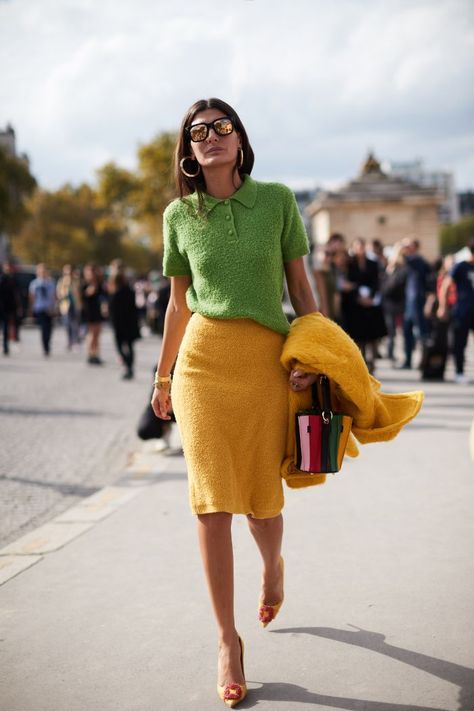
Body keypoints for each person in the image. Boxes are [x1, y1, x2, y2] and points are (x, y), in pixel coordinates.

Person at [151, 97, 318, 708]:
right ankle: (227, 641)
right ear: (189, 151)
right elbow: (177, 303)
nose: (212, 137)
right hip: (201, 366)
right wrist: (163, 377)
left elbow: (300, 285)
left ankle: (272, 566)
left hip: (264, 366)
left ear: (240, 141)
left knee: (260, 502)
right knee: (211, 504)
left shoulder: (277, 200)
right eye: (199, 132)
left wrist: (314, 353)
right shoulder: (178, 216)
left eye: (222, 127)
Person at [345, 238, 387, 374]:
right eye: (358, 246)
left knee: (372, 337)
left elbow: (377, 281)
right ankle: (361, 365)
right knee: (358, 337)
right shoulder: (349, 264)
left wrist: (371, 297)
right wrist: (358, 296)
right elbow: (349, 282)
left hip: (371, 304)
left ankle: (372, 366)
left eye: (362, 246)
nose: (361, 249)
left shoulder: (373, 263)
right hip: (356, 305)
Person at [438, 240, 474, 384]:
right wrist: (443, 306)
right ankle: (459, 372)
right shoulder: (461, 266)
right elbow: (446, 286)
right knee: (460, 342)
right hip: (462, 310)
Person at [399, 238, 431, 369]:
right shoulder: (414, 261)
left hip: (417, 300)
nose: (407, 248)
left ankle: (424, 360)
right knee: (407, 332)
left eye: (409, 245)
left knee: (421, 333)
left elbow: (399, 259)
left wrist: (400, 246)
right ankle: (408, 360)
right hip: (410, 301)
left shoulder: (417, 260)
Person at [108, 269, 141, 379]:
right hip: (130, 323)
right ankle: (130, 366)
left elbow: (112, 312)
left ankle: (127, 365)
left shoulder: (115, 294)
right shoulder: (130, 292)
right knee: (130, 346)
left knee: (119, 346)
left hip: (119, 324)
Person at [81, 263, 106, 365]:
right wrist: (88, 293)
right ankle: (90, 354)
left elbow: (104, 296)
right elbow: (83, 298)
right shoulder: (85, 284)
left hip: (98, 311)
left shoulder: (99, 284)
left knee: (97, 334)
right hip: (89, 311)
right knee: (91, 333)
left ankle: (96, 354)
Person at [29, 263, 56, 356]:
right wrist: (31, 309)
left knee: (49, 329)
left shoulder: (51, 283)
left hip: (49, 308)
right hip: (40, 307)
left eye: (44, 271)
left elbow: (53, 296)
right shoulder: (34, 284)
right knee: (44, 328)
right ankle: (45, 348)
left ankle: (47, 343)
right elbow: (32, 297)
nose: (43, 273)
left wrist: (53, 307)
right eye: (41, 271)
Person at [56, 264, 82, 350]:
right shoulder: (62, 281)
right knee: (67, 324)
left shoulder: (77, 281)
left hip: (75, 305)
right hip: (66, 306)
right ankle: (69, 341)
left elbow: (80, 293)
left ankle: (75, 341)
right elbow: (58, 294)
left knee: (75, 324)